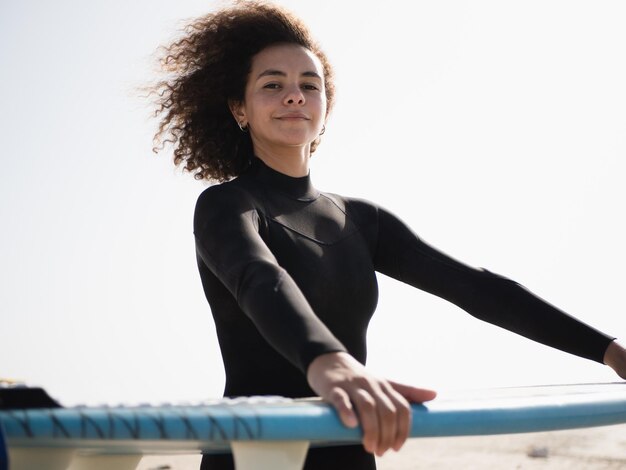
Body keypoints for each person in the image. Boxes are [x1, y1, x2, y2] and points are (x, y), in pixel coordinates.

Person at [151, 2, 626, 468]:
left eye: (308, 85)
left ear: (325, 107)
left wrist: (610, 351)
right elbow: (260, 279)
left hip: (350, 447)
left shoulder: (361, 220)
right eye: (272, 85)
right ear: (240, 108)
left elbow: (478, 289)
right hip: (254, 451)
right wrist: (330, 362)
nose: (294, 95)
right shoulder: (225, 206)